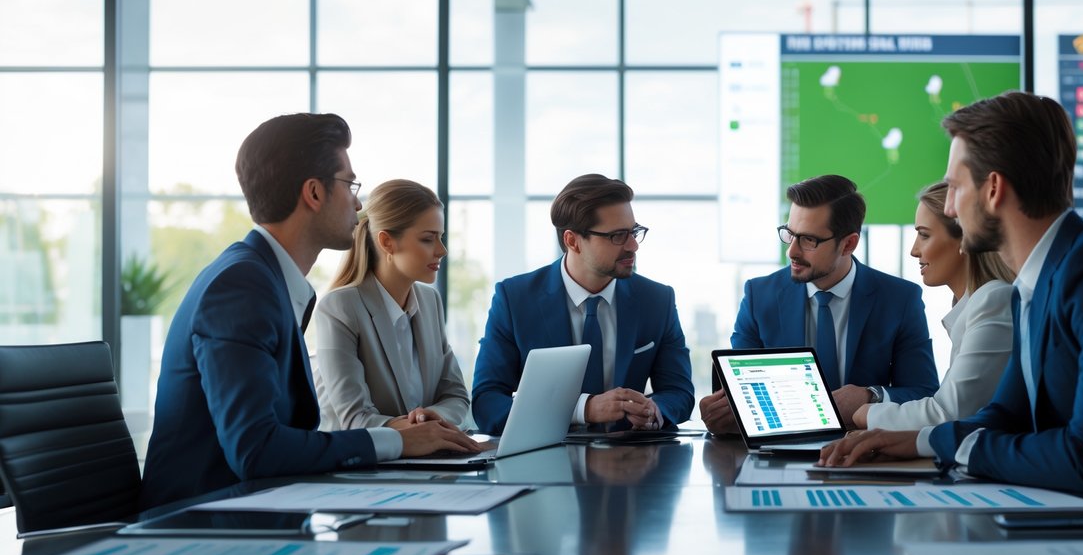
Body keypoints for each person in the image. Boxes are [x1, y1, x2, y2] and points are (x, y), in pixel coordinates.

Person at [825, 91, 1083, 516]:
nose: (950, 207)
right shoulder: (1040, 281)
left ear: (993, 190)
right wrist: (917, 440)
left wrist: (954, 444)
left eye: (954, 188)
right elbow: (1004, 414)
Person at [140, 113, 481, 510]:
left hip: (256, 509)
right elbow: (256, 449)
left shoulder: (264, 279)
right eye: (350, 184)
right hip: (200, 525)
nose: (357, 202)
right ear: (314, 193)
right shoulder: (241, 287)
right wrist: (400, 439)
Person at [699, 173, 938, 433]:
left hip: (863, 453)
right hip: (779, 453)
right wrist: (724, 412)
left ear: (849, 244)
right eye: (790, 234)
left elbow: (924, 393)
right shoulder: (759, 296)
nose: (792, 251)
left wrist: (871, 396)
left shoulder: (899, 299)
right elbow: (741, 394)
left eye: (809, 240)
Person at [471, 173, 694, 435]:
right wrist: (582, 409)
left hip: (634, 461)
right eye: (617, 236)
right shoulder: (515, 299)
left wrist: (654, 411)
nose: (633, 245)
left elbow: (679, 392)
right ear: (572, 240)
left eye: (633, 231)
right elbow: (487, 402)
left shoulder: (657, 300)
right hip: (544, 464)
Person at [819, 180, 1014, 465]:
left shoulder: (993, 301)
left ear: (965, 239)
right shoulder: (973, 306)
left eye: (924, 235)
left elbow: (947, 414)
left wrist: (865, 411)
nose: (913, 250)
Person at [312, 179, 470, 433]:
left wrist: (433, 416)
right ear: (387, 242)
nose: (442, 250)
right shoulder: (340, 307)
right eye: (428, 239)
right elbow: (355, 419)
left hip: (421, 463)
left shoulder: (430, 302)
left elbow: (457, 396)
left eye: (440, 238)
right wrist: (419, 431)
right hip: (359, 468)